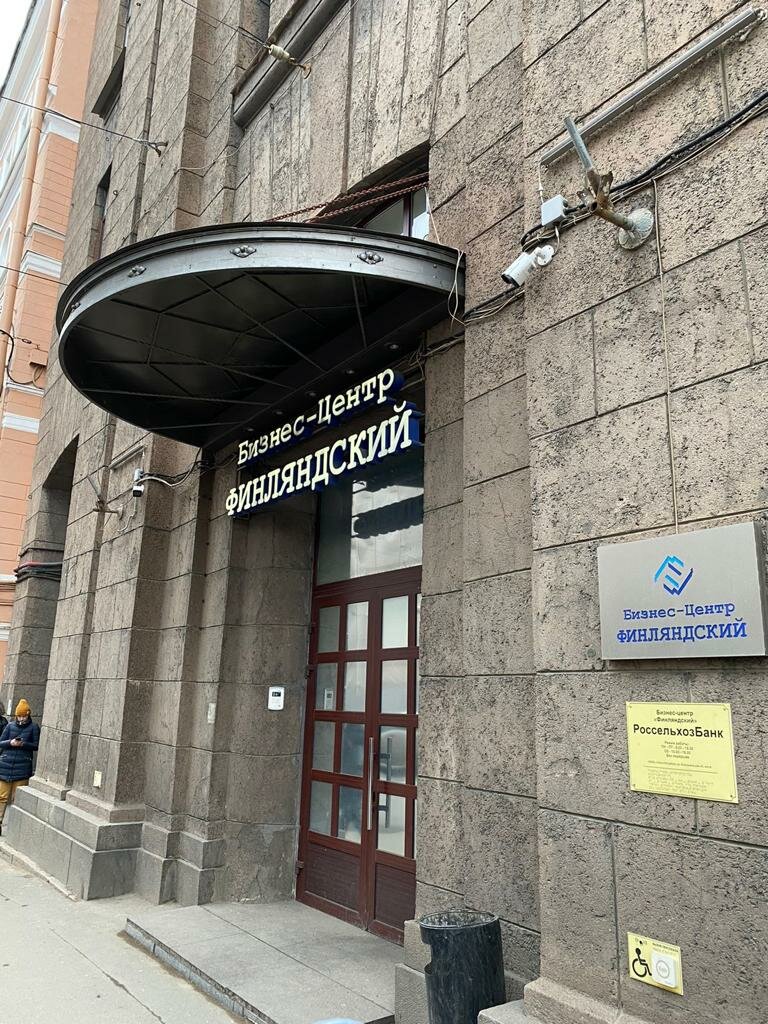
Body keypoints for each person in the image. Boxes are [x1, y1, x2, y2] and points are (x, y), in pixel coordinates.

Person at [0, 699, 40, 835]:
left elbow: (36, 746)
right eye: (19, 716)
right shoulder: (10, 726)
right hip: (5, 765)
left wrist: (23, 744)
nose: (21, 719)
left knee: (17, 799)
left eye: (24, 716)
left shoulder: (34, 727)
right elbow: (1, 742)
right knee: (1, 797)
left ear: (28, 715)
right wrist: (10, 742)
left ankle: (14, 829)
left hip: (22, 767)